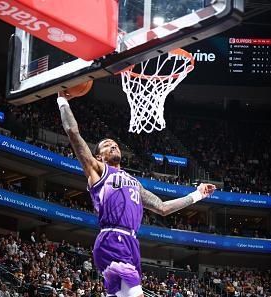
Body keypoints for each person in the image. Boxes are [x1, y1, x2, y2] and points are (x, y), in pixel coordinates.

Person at [57, 92, 216, 297]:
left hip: (131, 244)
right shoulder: (98, 171)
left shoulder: (134, 183)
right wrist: (63, 100)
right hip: (113, 238)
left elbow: (162, 208)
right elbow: (72, 132)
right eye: (107, 144)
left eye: (115, 143)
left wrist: (197, 195)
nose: (113, 145)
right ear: (98, 156)